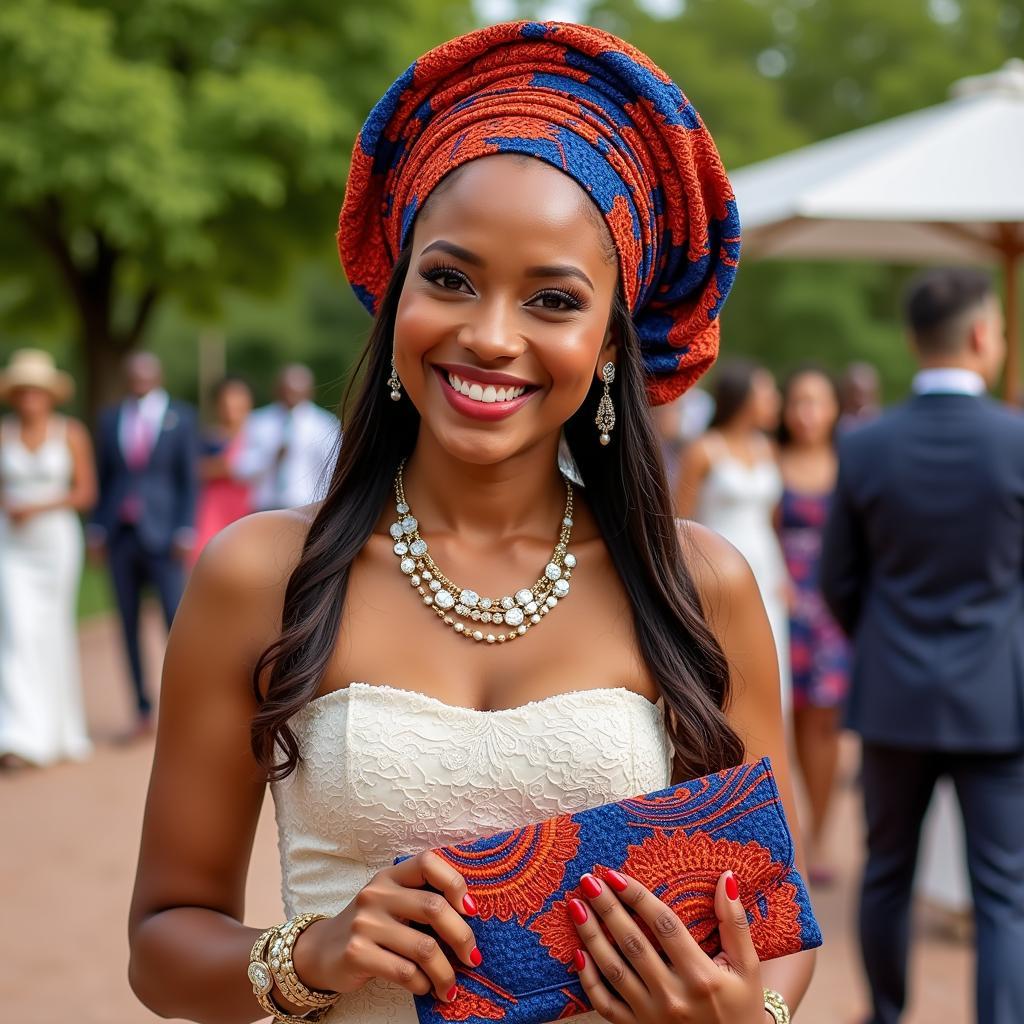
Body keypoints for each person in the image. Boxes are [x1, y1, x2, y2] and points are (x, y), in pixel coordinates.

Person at [127, 22, 814, 1024]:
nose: (490, 336)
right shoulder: (263, 574)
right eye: (449, 278)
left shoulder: (695, 584)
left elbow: (776, 929)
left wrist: (744, 1014)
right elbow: (162, 939)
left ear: (610, 344)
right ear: (395, 292)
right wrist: (310, 951)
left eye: (552, 299)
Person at [821, 267, 1024, 1024]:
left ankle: (883, 1014)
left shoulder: (868, 446)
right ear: (981, 336)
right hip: (999, 701)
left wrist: (883, 642)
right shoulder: (1017, 442)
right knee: (1004, 892)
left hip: (893, 694)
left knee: (887, 874)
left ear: (913, 341)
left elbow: (839, 578)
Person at [89, 352, 198, 740]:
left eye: (144, 374)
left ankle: (183, 706)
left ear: (158, 375)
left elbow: (189, 478)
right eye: (132, 374)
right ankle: (140, 708)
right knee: (127, 623)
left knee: (175, 621)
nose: (138, 380)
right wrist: (96, 529)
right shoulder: (109, 419)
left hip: (165, 535)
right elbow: (104, 478)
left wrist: (185, 528)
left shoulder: (181, 417)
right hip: (121, 535)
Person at [676, 360, 791, 712]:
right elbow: (678, 519)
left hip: (766, 571)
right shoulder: (704, 450)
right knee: (726, 668)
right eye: (767, 392)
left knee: (772, 665)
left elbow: (773, 520)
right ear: (743, 397)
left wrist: (783, 572)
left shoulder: (768, 449)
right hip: (716, 570)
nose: (774, 400)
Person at [0, 349, 96, 769]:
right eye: (23, 391)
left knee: (52, 631)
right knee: (15, 632)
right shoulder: (3, 433)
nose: (30, 399)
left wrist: (37, 506)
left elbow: (85, 493)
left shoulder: (70, 432)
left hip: (55, 544)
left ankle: (57, 730)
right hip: (11, 546)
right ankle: (19, 736)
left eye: (36, 391)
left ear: (49, 395)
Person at [776, 367, 849, 886]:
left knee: (823, 724)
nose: (807, 412)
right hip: (781, 606)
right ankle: (790, 841)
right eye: (798, 400)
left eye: (817, 402)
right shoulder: (770, 463)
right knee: (781, 718)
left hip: (832, 609)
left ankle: (820, 835)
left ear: (834, 410)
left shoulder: (850, 466)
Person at [235, 364, 340, 511]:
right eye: (287, 391)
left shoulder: (324, 425)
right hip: (265, 506)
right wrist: (271, 458)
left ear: (309, 392)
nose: (291, 396)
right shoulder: (258, 421)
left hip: (306, 505)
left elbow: (332, 468)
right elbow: (241, 469)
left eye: (297, 392)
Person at [190, 376, 255, 567]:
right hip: (213, 508)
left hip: (247, 507)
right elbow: (195, 469)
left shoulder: (259, 435)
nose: (231, 408)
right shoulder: (209, 438)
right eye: (226, 403)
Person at [837, 361, 880, 432]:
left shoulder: (884, 424)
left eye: (868, 395)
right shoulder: (835, 426)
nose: (861, 402)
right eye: (856, 394)